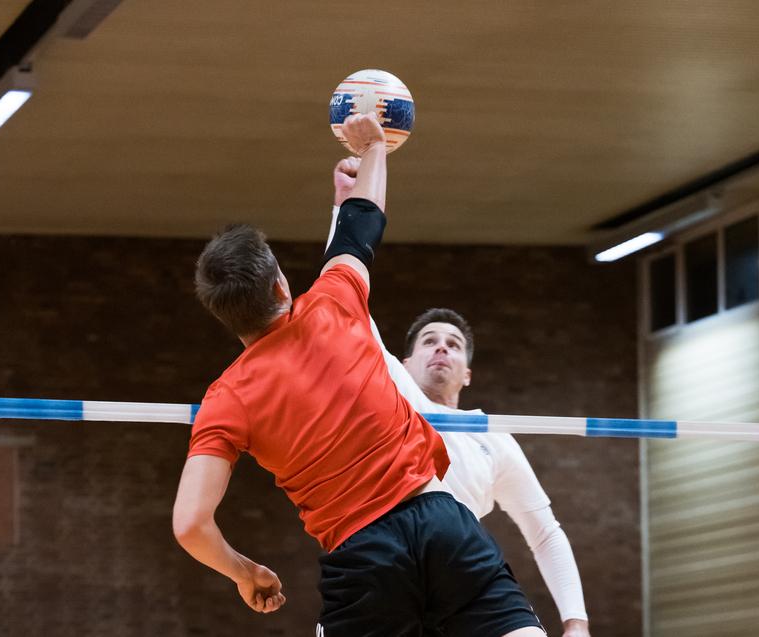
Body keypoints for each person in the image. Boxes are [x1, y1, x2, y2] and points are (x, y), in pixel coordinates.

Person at [172, 113, 545, 637]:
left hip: (365, 557)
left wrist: (243, 570)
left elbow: (190, 524)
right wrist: (373, 150)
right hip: (442, 521)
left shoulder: (226, 399)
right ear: (282, 285)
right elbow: (364, 221)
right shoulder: (334, 301)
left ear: (223, 315)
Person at [329, 164, 589, 637]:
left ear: (467, 373)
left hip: (461, 579)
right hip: (385, 569)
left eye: (453, 343)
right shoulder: (394, 389)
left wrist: (576, 622)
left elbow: (545, 532)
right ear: (403, 363)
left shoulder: (494, 437)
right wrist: (344, 206)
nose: (442, 347)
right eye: (429, 340)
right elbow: (343, 303)